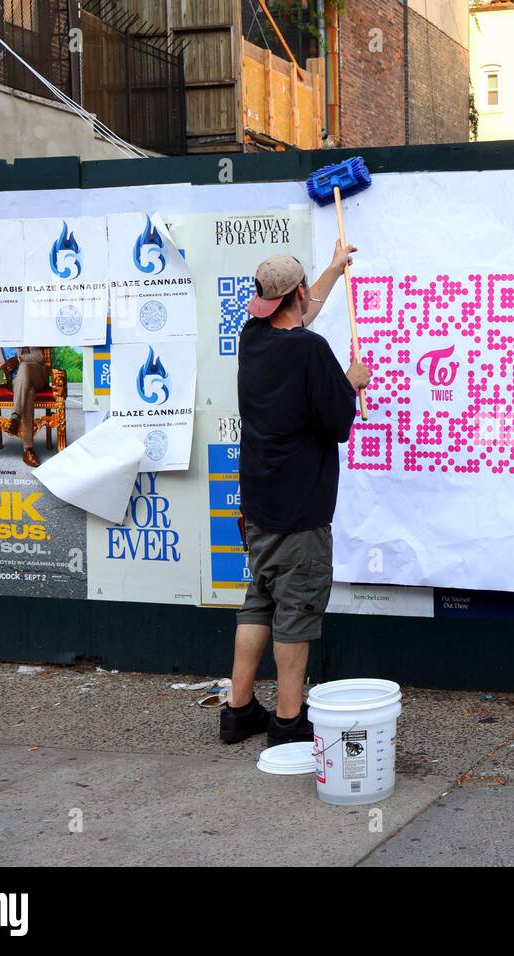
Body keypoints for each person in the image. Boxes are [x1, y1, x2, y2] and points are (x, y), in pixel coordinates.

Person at [219, 245, 372, 747]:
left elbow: (304, 312)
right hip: (300, 511)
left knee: (259, 601)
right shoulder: (311, 351)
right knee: (297, 611)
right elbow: (338, 423)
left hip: (259, 503)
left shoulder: (252, 336)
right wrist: (352, 383)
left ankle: (238, 710)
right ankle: (288, 722)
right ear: (298, 293)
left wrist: (331, 269)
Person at [0, 346, 47, 467]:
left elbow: (39, 356)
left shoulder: (24, 333)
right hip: (16, 382)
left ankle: (15, 418)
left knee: (24, 366)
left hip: (36, 374)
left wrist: (19, 359)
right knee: (28, 391)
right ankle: (28, 450)